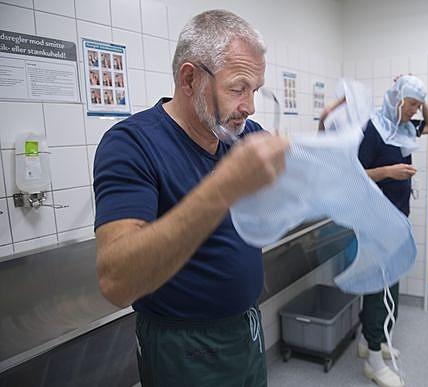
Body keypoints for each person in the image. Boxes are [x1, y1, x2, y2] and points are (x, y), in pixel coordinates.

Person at [93, 9, 288, 387]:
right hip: (181, 346)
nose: (250, 106)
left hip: (246, 329)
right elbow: (116, 282)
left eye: (255, 91)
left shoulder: (245, 135)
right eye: (238, 88)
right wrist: (222, 188)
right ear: (189, 78)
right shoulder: (132, 145)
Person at [321, 75, 428, 387]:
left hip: (396, 218)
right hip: (374, 220)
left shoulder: (403, 127)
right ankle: (373, 361)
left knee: (392, 282)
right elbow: (355, 175)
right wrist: (389, 172)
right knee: (378, 287)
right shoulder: (374, 129)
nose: (416, 111)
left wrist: (418, 96)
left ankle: (371, 339)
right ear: (396, 98)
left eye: (418, 105)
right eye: (412, 103)